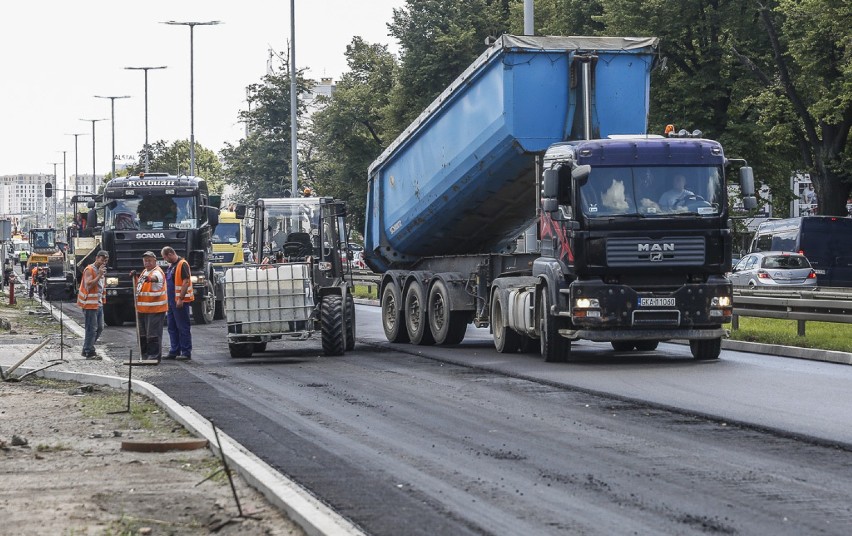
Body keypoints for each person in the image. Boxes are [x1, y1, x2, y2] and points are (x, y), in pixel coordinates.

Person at [131, 251, 167, 362]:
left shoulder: (157, 272)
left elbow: (157, 279)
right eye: (145, 260)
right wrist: (135, 277)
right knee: (142, 334)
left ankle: (154, 356)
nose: (147, 262)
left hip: (155, 309)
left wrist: (151, 279)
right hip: (143, 309)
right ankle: (145, 355)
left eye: (149, 260)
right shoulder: (145, 272)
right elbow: (141, 286)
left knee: (153, 334)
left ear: (155, 261)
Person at [161, 246, 193, 360]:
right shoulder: (171, 266)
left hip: (180, 302)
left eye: (165, 257)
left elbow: (186, 282)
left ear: (170, 254)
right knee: (172, 327)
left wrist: (180, 298)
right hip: (171, 302)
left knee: (182, 327)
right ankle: (174, 350)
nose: (165, 260)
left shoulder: (182, 264)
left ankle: (186, 352)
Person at [78, 251, 108, 359]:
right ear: (96, 258)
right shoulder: (89, 269)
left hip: (98, 303)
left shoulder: (102, 271)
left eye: (105, 260)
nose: (103, 262)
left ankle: (86, 347)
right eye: (102, 259)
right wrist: (99, 275)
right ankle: (89, 351)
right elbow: (88, 285)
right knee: (91, 328)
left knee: (100, 327)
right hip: (89, 304)